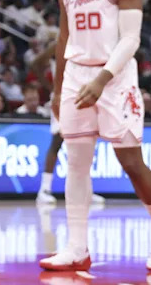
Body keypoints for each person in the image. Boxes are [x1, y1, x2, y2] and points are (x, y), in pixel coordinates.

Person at [40, 0, 151, 273]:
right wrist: (57, 90)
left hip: (113, 77)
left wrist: (102, 79)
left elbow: (131, 39)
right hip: (75, 75)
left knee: (130, 162)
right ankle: (76, 247)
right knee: (76, 162)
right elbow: (63, 38)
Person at [30, 39, 105, 208]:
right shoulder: (60, 43)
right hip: (62, 97)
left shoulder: (88, 44)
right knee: (57, 141)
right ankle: (44, 190)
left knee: (83, 144)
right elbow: (35, 64)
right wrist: (51, 88)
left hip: (82, 96)